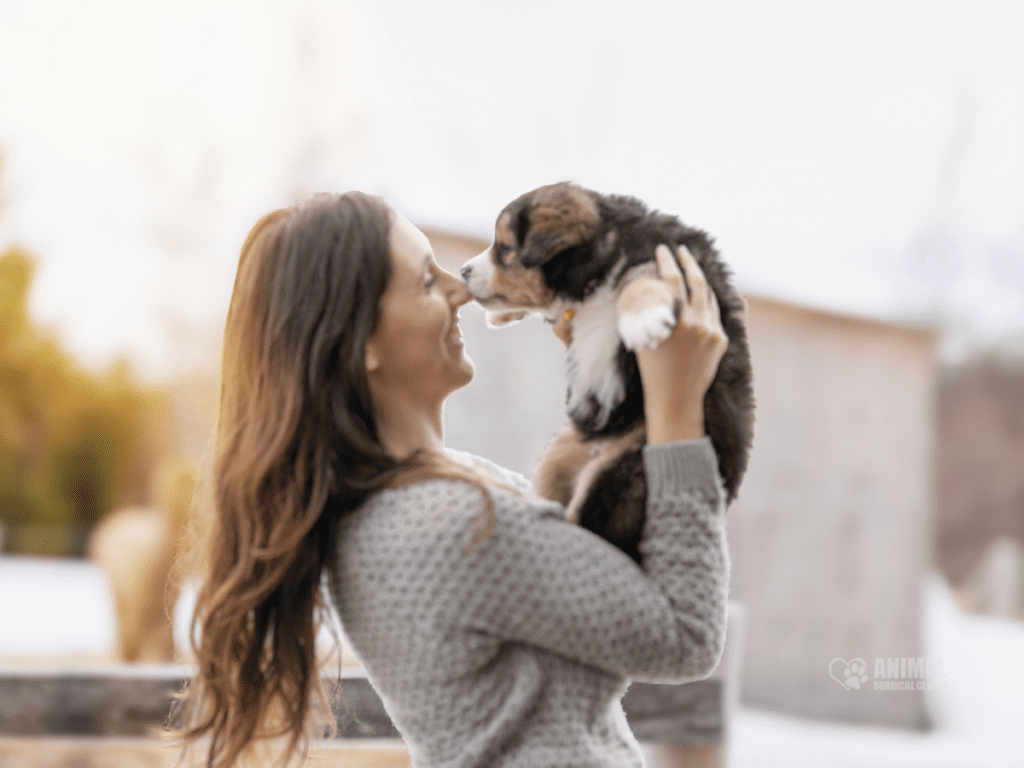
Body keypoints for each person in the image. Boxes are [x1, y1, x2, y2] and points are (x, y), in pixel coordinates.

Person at [176, 190, 731, 768]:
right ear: (362, 341)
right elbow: (684, 631)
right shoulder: (456, 524)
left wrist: (609, 378)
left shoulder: (406, 507)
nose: (460, 289)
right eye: (425, 281)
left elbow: (598, 575)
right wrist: (676, 414)